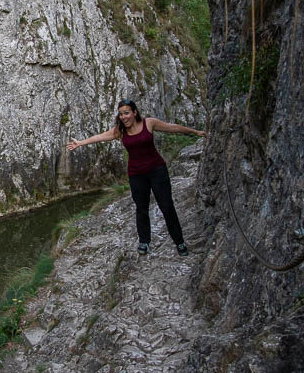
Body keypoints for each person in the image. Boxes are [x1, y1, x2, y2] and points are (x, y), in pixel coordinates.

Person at [66, 99, 205, 256]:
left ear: (134, 112)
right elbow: (100, 137)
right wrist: (81, 143)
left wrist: (194, 132)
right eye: (120, 114)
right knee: (141, 208)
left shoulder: (149, 123)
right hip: (136, 174)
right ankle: (144, 241)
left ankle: (179, 242)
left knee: (166, 206)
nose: (123, 117)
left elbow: (171, 128)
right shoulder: (120, 131)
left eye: (126, 113)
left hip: (157, 170)